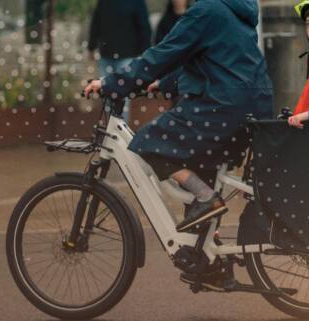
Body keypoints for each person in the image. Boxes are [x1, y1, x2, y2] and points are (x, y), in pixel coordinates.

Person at [84, 0, 273, 232]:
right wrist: (163, 84)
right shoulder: (233, 11)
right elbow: (209, 59)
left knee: (149, 142)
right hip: (250, 108)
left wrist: (111, 83)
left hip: (221, 107)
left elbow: (163, 55)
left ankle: (205, 197)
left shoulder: (206, 10)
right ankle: (204, 260)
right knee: (201, 172)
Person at [87, 0, 153, 120]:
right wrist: (91, 46)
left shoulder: (137, 3)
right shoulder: (104, 2)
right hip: (106, 56)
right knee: (107, 96)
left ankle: (118, 134)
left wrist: (145, 53)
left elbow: (144, 27)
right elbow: (96, 21)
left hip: (127, 57)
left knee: (121, 99)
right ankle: (109, 132)